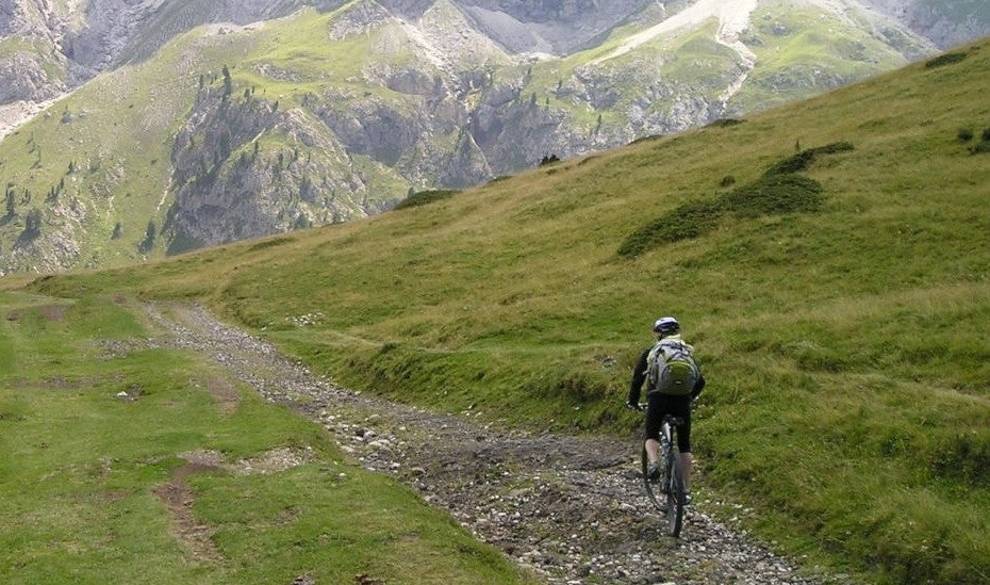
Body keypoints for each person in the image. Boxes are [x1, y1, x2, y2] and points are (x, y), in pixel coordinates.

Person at [627, 316, 705, 501]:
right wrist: (689, 398)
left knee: (651, 434)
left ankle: (654, 463)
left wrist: (633, 401)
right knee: (684, 445)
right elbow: (700, 381)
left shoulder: (652, 351)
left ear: (659, 333)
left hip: (658, 398)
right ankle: (685, 490)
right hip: (682, 401)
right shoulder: (686, 351)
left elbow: (638, 379)